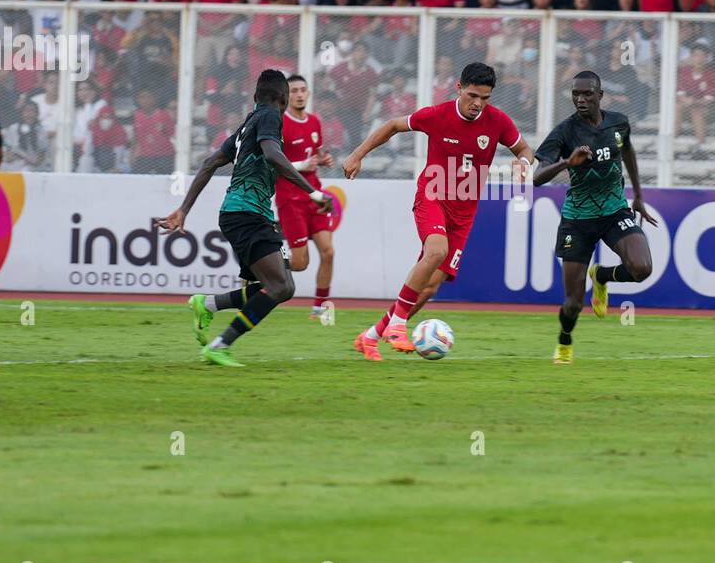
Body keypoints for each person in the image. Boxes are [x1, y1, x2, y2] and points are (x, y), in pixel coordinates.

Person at [342, 61, 534, 361]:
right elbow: (393, 125)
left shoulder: (498, 121)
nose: (477, 104)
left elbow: (524, 149)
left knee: (430, 286)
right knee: (435, 251)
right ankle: (397, 324)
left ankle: (370, 336)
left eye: (485, 98)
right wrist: (356, 155)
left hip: (465, 211)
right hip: (432, 196)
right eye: (472, 95)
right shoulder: (437, 115)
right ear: (458, 88)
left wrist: (523, 163)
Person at [156, 70, 333, 368]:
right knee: (280, 287)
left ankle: (207, 304)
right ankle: (220, 345)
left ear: (255, 97)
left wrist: (184, 209)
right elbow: (274, 155)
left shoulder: (246, 126)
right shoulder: (270, 118)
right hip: (246, 213)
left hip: (246, 213)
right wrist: (314, 193)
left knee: (278, 284)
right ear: (283, 98)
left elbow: (210, 162)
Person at [533, 71, 655, 365]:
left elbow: (627, 150)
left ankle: (601, 275)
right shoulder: (564, 132)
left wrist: (637, 195)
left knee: (642, 268)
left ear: (600, 95)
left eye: (587, 94)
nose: (581, 99)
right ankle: (565, 340)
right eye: (576, 94)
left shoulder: (618, 122)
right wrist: (567, 162)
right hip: (579, 219)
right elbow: (536, 179)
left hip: (614, 210)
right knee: (573, 303)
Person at [279, 74, 337, 319]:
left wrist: (323, 160)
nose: (299, 94)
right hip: (290, 198)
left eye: (303, 90)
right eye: (294, 91)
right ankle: (268, 263)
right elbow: (274, 162)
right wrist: (303, 163)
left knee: (328, 252)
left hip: (315, 195)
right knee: (300, 263)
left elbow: (315, 153)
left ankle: (318, 308)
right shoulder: (279, 123)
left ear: (309, 93)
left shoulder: (314, 122)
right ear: (286, 95)